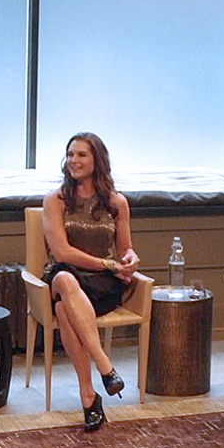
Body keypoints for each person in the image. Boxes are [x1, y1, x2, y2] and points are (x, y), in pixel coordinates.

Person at [42, 132, 139, 432]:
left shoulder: (117, 202)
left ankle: (88, 395)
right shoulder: (55, 200)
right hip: (65, 273)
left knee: (64, 311)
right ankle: (104, 366)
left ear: (97, 160)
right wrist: (106, 263)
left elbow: (125, 249)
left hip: (102, 284)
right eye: (70, 154)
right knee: (64, 279)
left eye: (81, 154)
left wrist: (129, 259)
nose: (73, 160)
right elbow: (62, 252)